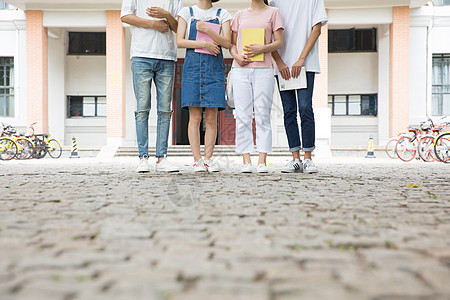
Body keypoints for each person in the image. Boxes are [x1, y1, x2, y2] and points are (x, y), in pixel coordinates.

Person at [121, 0, 182, 173]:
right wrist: (153, 24)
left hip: (167, 57)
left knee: (165, 110)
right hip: (141, 55)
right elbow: (125, 16)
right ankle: (143, 158)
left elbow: (178, 28)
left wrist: (167, 16)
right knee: (142, 108)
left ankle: (162, 158)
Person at [270, 0, 328, 173]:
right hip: (282, 66)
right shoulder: (274, 2)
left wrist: (301, 58)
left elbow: (316, 29)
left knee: (305, 108)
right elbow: (268, 35)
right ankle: (295, 158)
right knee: (288, 111)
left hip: (306, 64)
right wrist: (279, 62)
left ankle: (308, 158)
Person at [177, 0, 232, 172]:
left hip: (213, 69)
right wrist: (204, 44)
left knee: (211, 119)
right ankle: (197, 160)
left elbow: (227, 43)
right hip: (192, 69)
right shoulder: (187, 12)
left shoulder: (222, 14)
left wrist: (208, 30)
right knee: (195, 118)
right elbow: (180, 41)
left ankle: (208, 159)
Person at [230, 0, 284, 173]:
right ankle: (246, 160)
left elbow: (279, 42)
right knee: (242, 115)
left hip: (264, 70)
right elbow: (231, 45)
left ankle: (262, 161)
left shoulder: (273, 12)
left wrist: (263, 48)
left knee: (263, 114)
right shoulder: (239, 15)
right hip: (240, 70)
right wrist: (237, 57)